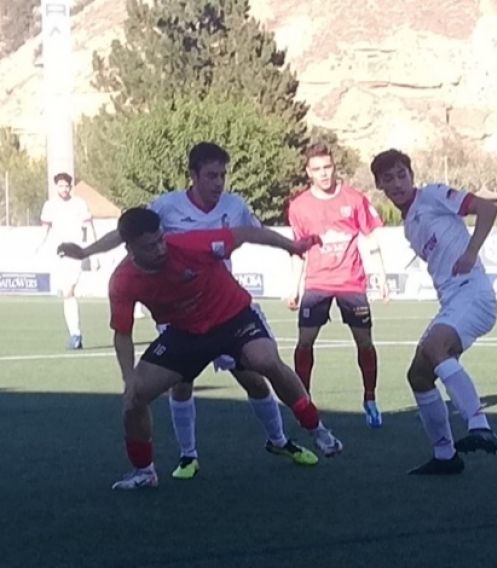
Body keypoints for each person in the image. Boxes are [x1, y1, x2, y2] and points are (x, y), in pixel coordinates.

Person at [58, 142, 302, 481]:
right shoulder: (167, 206)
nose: (218, 183)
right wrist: (85, 250)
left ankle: (279, 440)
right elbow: (127, 231)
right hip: (180, 312)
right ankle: (188, 457)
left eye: (222, 175)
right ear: (194, 176)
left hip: (223, 306)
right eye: (211, 175)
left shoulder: (235, 205)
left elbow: (255, 231)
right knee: (181, 384)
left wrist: (291, 249)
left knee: (254, 379)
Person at [108, 208, 343, 490]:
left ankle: (317, 429)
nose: (160, 249)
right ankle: (144, 472)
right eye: (150, 246)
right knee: (133, 398)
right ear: (129, 247)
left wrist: (292, 246)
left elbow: (246, 233)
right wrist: (128, 378)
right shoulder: (122, 280)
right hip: (185, 333)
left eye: (161, 239)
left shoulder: (190, 244)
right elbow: (122, 333)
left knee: (264, 361)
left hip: (233, 317)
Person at [370, 148, 497, 475]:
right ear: (380, 185)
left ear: (412, 176)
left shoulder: (432, 195)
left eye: (402, 174)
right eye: (389, 178)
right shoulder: (408, 225)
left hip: (474, 294)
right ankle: (445, 455)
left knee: (435, 348)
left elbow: (487, 209)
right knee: (418, 374)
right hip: (454, 302)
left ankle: (479, 424)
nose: (398, 183)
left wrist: (471, 252)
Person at [287, 143, 388, 428]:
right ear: (308, 172)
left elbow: (371, 238)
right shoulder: (299, 206)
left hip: (351, 283)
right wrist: (294, 286)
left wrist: (381, 277)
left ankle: (370, 399)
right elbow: (299, 249)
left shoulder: (354, 199)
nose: (323, 174)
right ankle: (303, 400)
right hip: (317, 283)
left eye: (327, 168)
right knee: (305, 341)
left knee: (364, 341)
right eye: (317, 169)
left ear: (334, 167)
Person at [37, 172, 98, 350]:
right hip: (59, 255)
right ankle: (75, 334)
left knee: (69, 291)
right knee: (66, 293)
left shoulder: (79, 204)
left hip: (75, 253)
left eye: (66, 186)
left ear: (70, 187)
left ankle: (75, 334)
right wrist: (37, 247)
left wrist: (93, 253)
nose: (63, 189)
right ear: (56, 187)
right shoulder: (49, 206)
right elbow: (45, 230)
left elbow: (89, 228)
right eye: (60, 186)